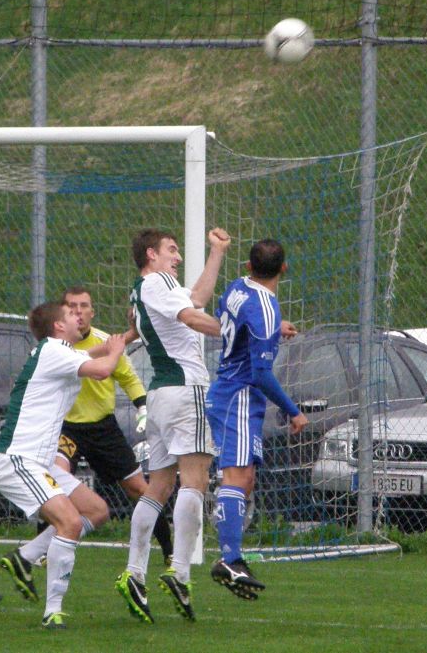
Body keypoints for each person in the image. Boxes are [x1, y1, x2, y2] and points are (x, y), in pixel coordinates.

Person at [114, 227, 230, 624]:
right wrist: (237, 330)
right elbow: (192, 316)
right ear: (152, 254)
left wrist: (216, 252)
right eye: (172, 250)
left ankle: (134, 573)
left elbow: (195, 300)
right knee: (195, 481)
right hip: (186, 389)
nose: (177, 258)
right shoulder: (158, 281)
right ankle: (179, 571)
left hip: (161, 395)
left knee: (159, 486)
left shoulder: (142, 290)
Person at [0, 301, 126, 629]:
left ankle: (25, 557)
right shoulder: (53, 350)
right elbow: (103, 368)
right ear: (58, 327)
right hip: (18, 458)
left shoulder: (59, 352)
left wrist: (135, 332)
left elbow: (96, 352)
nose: (78, 316)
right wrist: (117, 352)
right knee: (70, 522)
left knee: (95, 511)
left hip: (39, 461)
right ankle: (53, 612)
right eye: (70, 314)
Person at [206, 239, 308, 600]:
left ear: (249, 267)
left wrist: (273, 328)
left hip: (234, 394)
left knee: (245, 478)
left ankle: (231, 556)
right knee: (236, 476)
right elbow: (261, 373)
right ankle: (230, 559)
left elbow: (230, 321)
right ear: (284, 268)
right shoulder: (265, 308)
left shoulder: (237, 287)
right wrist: (293, 410)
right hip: (238, 395)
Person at [55, 286, 173, 563]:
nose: (78, 312)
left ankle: (169, 550)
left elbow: (128, 378)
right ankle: (43, 553)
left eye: (84, 306)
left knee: (140, 489)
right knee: (53, 487)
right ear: (62, 314)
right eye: (72, 307)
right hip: (65, 428)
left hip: (103, 428)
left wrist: (142, 407)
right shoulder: (54, 347)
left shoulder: (104, 341)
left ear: (92, 312)